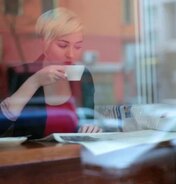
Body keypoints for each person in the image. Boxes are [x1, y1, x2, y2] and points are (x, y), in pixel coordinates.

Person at [0, 7, 102, 139]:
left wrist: (90, 128)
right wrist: (35, 81)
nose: (71, 54)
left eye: (78, 46)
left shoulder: (82, 75)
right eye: (62, 45)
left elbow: (87, 119)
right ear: (43, 43)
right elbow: (2, 126)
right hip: (31, 157)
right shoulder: (22, 73)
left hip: (73, 156)